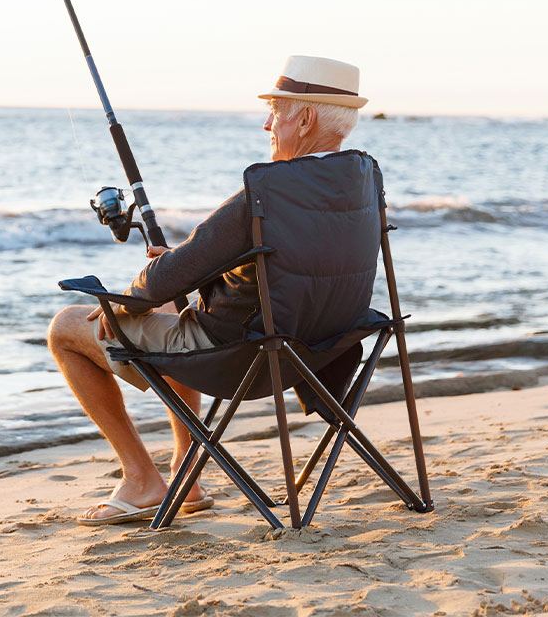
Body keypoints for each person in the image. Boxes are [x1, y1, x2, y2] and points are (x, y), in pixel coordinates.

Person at [45, 55, 370, 524]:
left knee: (66, 328)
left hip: (244, 358)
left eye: (275, 112)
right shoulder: (359, 185)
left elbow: (155, 286)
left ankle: (142, 480)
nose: (267, 124)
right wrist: (188, 268)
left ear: (305, 117)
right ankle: (187, 473)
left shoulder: (266, 194)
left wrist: (123, 302)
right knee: (181, 305)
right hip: (316, 352)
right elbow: (286, 265)